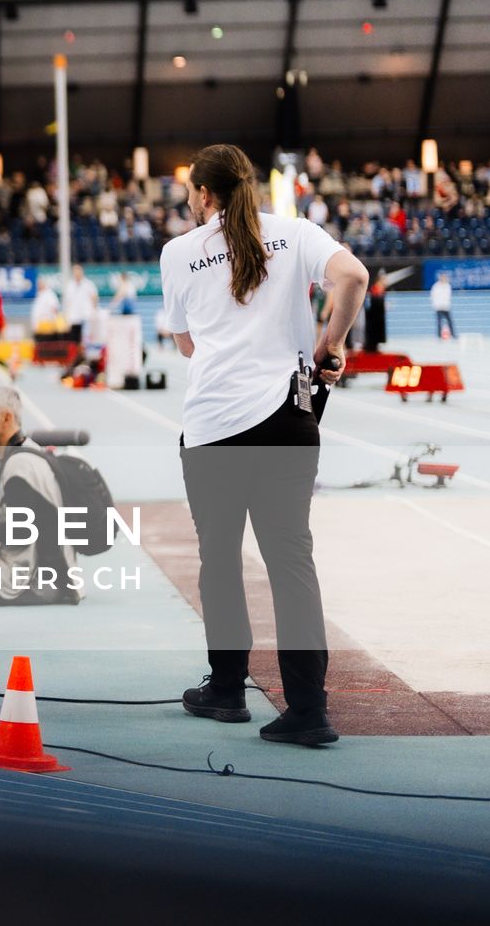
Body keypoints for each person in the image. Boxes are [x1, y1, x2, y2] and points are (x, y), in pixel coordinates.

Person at [161, 143, 367, 748]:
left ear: (203, 194)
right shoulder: (296, 232)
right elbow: (352, 277)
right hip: (288, 416)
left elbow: (188, 346)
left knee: (220, 561)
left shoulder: (180, 254)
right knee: (291, 562)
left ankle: (227, 690)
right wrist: (329, 344)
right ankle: (308, 710)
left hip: (213, 426)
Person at [0, 384, 79, 605]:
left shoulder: (20, 466)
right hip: (35, 572)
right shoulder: (16, 451)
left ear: (6, 419)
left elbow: (20, 532)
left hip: (36, 581)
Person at [61, 264, 98, 347]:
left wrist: (94, 311)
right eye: (75, 272)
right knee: (74, 340)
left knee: (86, 338)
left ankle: (86, 357)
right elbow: (67, 302)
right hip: (74, 317)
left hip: (86, 316)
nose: (77, 274)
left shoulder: (88, 284)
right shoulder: (70, 286)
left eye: (78, 272)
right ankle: (76, 357)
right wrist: (66, 316)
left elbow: (94, 298)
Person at [430, 271, 456, 341]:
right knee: (439, 322)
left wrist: (448, 304)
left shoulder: (448, 285)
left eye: (445, 277)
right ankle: (439, 336)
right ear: (440, 278)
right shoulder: (436, 286)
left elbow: (448, 296)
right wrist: (435, 305)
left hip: (446, 307)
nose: (444, 278)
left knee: (450, 321)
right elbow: (433, 296)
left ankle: (453, 335)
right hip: (438, 307)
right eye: (443, 277)